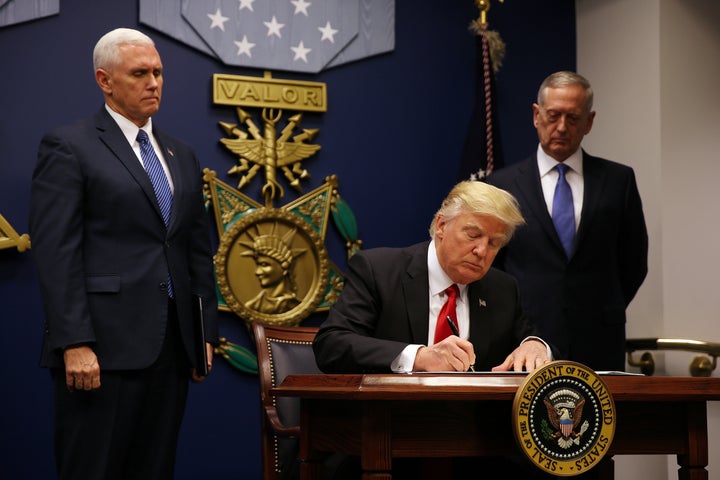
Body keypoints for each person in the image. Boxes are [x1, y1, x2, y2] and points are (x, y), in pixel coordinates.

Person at [29, 28, 218, 480]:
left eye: (158, 72)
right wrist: (74, 341)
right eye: (139, 73)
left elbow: (196, 249)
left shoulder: (182, 154)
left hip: (172, 349)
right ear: (105, 80)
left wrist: (202, 331)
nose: (154, 82)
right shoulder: (70, 146)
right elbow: (58, 252)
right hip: (101, 350)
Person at [486, 71, 648, 372]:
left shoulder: (618, 180)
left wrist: (598, 306)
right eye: (553, 116)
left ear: (589, 121)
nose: (561, 127)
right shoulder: (501, 185)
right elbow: (494, 266)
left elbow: (634, 262)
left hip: (599, 338)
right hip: (525, 340)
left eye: (573, 118)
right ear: (536, 116)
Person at [314, 180, 553, 375]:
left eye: (494, 243)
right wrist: (418, 357)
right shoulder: (379, 271)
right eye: (473, 235)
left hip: (473, 427)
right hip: (389, 423)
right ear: (441, 225)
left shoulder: (502, 289)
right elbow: (332, 345)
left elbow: (533, 341)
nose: (482, 251)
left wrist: (535, 345)